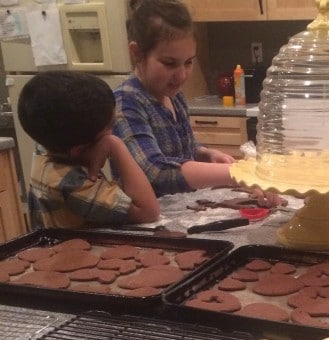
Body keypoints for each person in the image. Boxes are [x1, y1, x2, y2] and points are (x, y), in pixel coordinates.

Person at [113, 0, 279, 206]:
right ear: (137, 53)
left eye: (189, 62)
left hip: (178, 209)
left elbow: (183, 150)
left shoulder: (174, 96)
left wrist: (206, 155)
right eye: (169, 63)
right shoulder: (125, 102)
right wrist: (238, 172)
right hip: (144, 219)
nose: (182, 74)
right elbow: (155, 172)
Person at [17, 71, 160, 231]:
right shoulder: (71, 183)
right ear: (79, 150)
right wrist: (115, 145)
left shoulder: (44, 149)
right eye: (110, 126)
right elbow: (149, 212)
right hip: (74, 255)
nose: (112, 132)